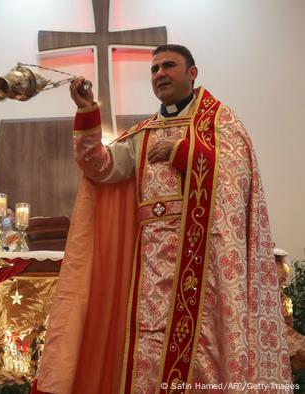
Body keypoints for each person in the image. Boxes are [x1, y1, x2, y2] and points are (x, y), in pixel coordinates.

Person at [35, 45, 292, 393]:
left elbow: (236, 175)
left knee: (206, 354)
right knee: (147, 354)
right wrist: (87, 113)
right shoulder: (143, 134)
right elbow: (99, 167)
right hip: (149, 273)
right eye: (154, 69)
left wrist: (182, 151)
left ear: (192, 73)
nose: (160, 74)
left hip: (206, 270)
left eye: (169, 66)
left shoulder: (221, 122)